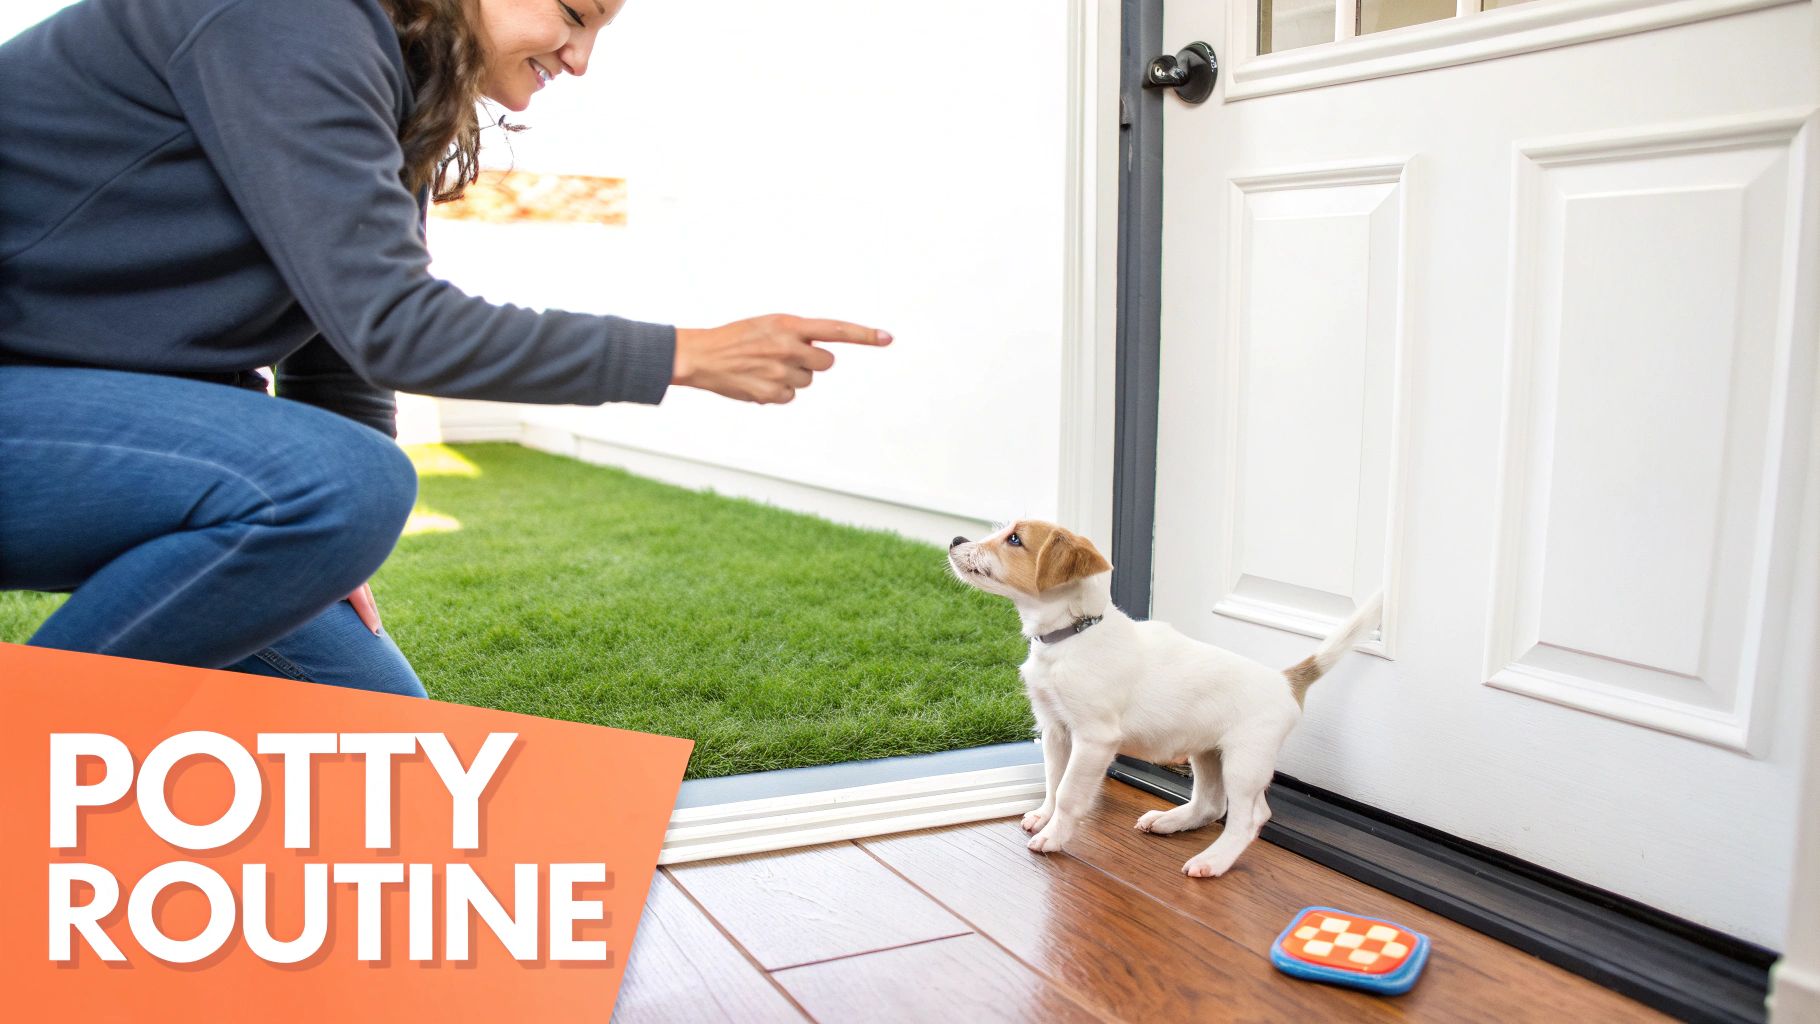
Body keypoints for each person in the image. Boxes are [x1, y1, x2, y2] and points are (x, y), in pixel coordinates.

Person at [0, 0, 890, 697]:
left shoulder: (395, 88)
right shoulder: (283, 17)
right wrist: (680, 354)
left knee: (388, 747)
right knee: (348, 483)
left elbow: (338, 346)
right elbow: (395, 324)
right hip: (30, 399)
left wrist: (335, 554)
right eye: (575, 14)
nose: (579, 59)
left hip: (93, 419)